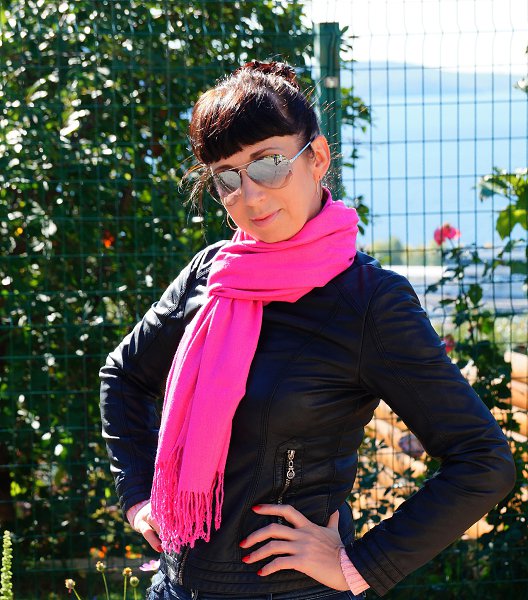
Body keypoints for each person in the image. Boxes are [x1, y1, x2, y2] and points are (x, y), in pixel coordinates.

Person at [99, 60, 516, 600]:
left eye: (270, 164)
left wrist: (360, 565)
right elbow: (124, 377)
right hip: (176, 585)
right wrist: (138, 496)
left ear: (316, 157)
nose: (250, 196)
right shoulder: (211, 275)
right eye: (227, 177)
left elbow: (483, 461)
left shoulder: (368, 301)